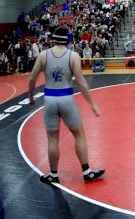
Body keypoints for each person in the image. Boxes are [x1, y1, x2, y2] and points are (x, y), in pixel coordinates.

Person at [28, 26, 105, 184]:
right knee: (79, 134)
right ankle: (86, 171)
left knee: (52, 139)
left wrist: (31, 98)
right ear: (68, 39)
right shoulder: (73, 56)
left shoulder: (43, 55)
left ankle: (54, 175)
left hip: (49, 99)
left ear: (53, 38)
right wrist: (92, 104)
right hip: (66, 98)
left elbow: (32, 79)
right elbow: (81, 82)